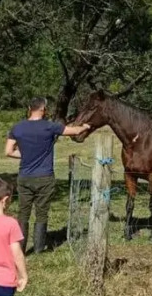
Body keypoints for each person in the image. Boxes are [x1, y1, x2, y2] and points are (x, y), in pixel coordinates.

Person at [5, 97, 91, 254]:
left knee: (23, 213)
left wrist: (25, 155)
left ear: (29, 108)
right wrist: (85, 126)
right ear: (43, 109)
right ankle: (38, 248)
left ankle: (21, 248)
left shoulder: (17, 127)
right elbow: (74, 131)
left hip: (25, 177)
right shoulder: (50, 126)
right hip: (45, 177)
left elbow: (8, 151)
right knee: (41, 213)